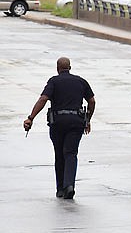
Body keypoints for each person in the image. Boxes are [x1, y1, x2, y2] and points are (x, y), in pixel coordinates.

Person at [23, 57, 96, 199]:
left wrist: (31, 118)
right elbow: (92, 101)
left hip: (58, 123)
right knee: (71, 153)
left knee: (59, 153)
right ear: (70, 67)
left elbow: (43, 99)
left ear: (57, 68)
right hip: (76, 122)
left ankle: (60, 189)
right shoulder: (81, 81)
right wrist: (87, 119)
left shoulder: (54, 81)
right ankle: (69, 185)